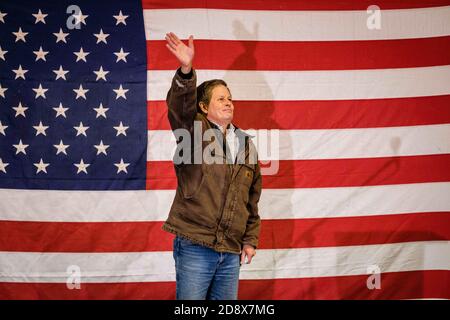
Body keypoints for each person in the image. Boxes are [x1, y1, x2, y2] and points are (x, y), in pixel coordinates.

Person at [161, 32, 262, 300]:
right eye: (220, 98)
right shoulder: (193, 130)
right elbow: (180, 107)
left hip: (230, 251)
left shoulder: (247, 145)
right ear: (203, 107)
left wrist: (249, 240)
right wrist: (186, 70)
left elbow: (251, 201)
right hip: (195, 245)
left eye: (230, 98)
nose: (228, 102)